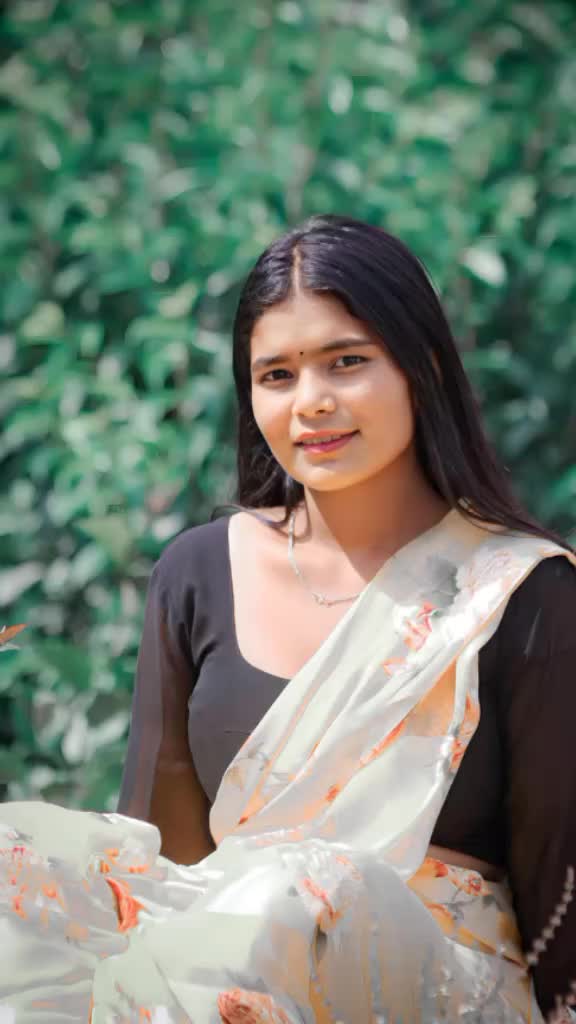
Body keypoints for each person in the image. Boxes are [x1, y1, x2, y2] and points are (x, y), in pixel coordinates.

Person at [1, 214, 575, 1024]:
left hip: (443, 991)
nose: (312, 402)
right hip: (220, 978)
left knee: (295, 896)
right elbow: (154, 862)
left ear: (424, 368)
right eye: (277, 375)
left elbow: (560, 878)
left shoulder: (517, 592)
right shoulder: (199, 572)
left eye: (347, 362)